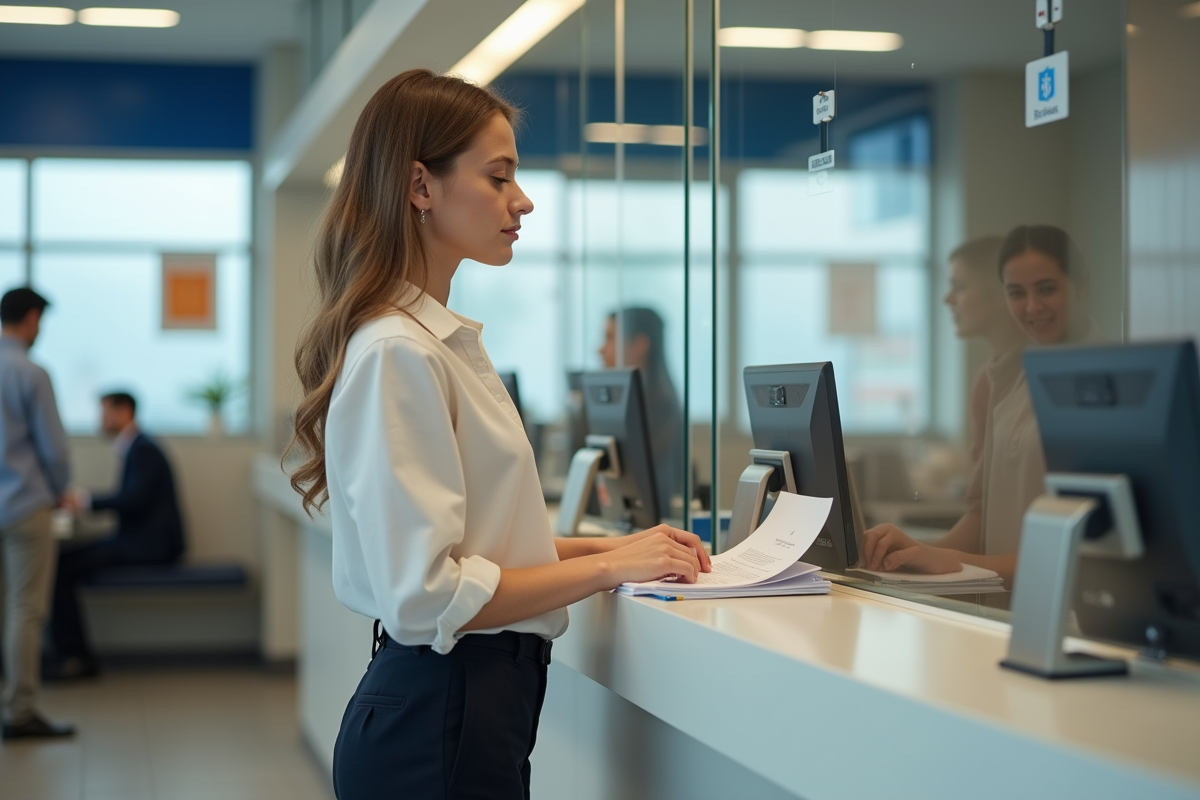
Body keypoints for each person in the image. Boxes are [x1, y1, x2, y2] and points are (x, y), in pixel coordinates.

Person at [284, 69, 710, 800]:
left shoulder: (434, 341)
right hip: (438, 718)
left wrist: (615, 547)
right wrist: (607, 570)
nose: (524, 200)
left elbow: (481, 548)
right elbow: (427, 595)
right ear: (421, 186)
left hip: (465, 712)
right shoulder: (399, 351)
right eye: (499, 176)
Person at [862, 225, 1100, 586]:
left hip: (1066, 611)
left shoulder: (1103, 379)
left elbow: (1084, 552)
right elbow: (983, 513)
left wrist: (950, 560)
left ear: (1080, 285)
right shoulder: (1013, 378)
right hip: (1004, 605)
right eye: (1017, 292)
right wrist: (910, 555)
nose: (1033, 306)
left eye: (1047, 289)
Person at [47, 391, 185, 680]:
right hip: (139, 541)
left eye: (105, 413)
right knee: (62, 561)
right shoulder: (138, 446)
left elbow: (133, 500)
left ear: (123, 413)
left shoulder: (142, 449)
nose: (101, 421)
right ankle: (74, 654)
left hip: (149, 547)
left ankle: (76, 657)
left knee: (60, 566)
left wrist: (83, 502)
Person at [0, 287, 74, 740]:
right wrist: (61, 488)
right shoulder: (31, 372)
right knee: (24, 611)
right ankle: (19, 710)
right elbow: (53, 448)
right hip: (25, 506)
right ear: (30, 319)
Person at [599, 307, 683, 518]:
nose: (600, 349)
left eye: (610, 338)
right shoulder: (627, 405)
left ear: (640, 345)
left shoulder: (659, 411)